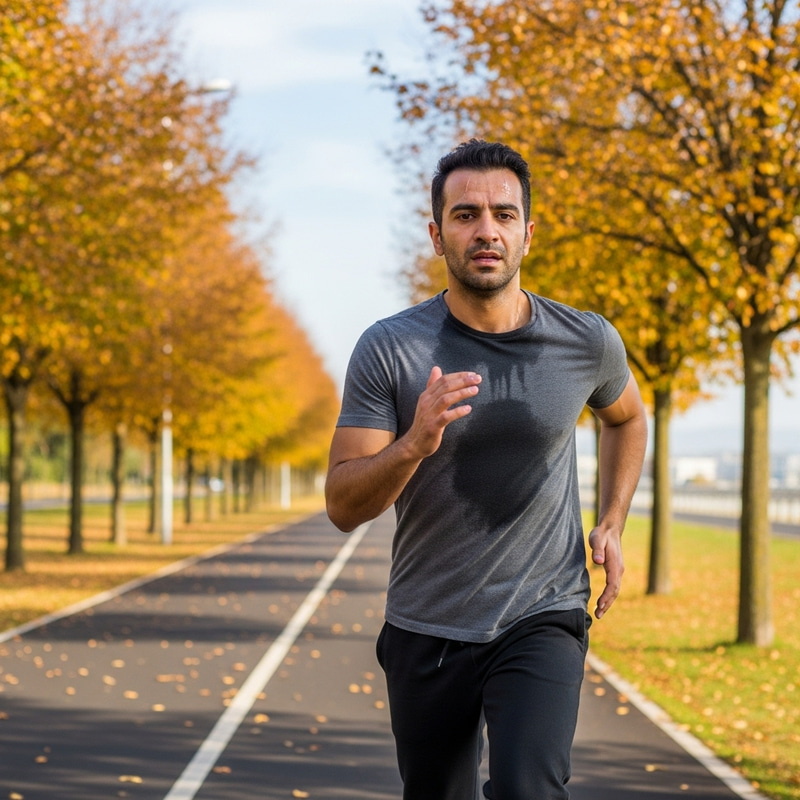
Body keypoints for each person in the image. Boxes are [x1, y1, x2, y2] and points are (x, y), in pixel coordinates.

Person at [325, 139, 648, 800]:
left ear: (528, 233)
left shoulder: (586, 341)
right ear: (437, 233)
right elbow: (342, 503)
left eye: (503, 214)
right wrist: (414, 442)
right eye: (466, 214)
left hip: (543, 614)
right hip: (427, 623)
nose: (486, 230)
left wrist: (611, 522)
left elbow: (627, 418)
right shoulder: (390, 348)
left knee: (529, 788)